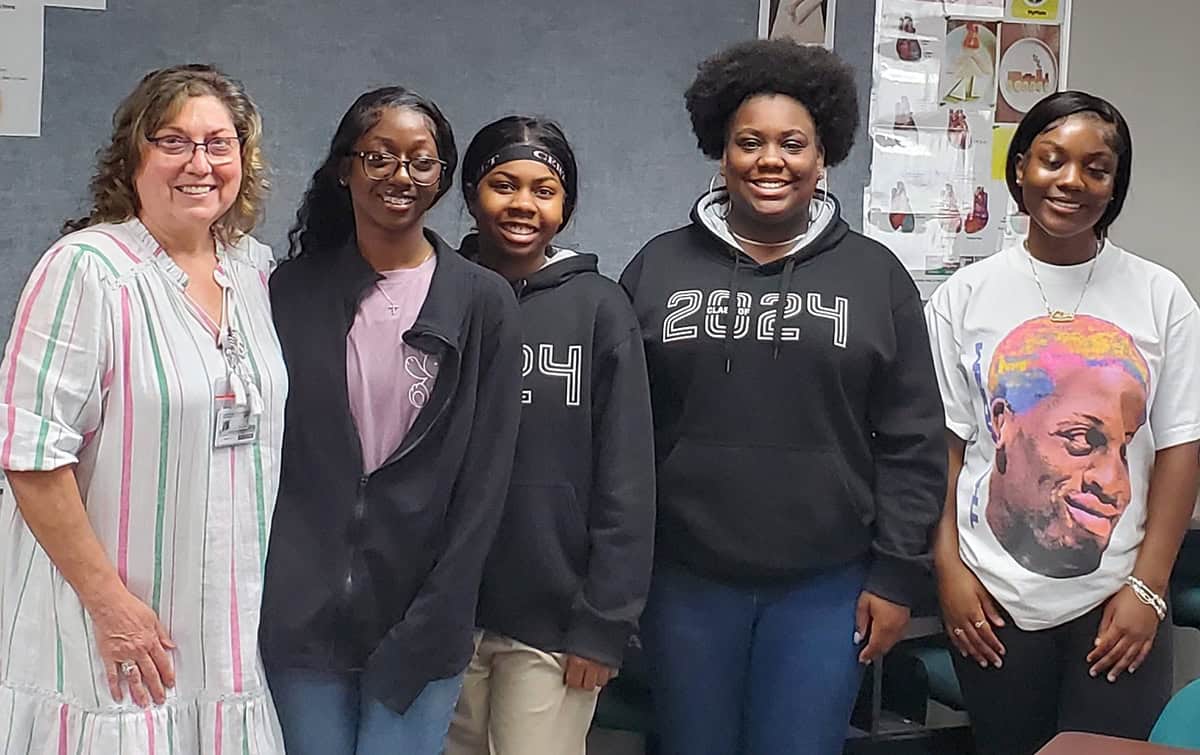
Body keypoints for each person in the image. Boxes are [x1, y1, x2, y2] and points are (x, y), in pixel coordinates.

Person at [619, 39, 947, 755]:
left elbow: (915, 440)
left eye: (792, 143)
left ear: (822, 155)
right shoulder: (656, 268)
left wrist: (896, 577)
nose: (771, 160)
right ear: (721, 153)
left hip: (827, 591)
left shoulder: (876, 276)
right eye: (750, 142)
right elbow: (617, 438)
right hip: (684, 584)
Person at [0, 64, 285, 753]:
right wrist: (111, 604)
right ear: (133, 155)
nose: (200, 163)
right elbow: (31, 455)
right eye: (174, 141)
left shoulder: (253, 269)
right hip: (109, 628)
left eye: (219, 144)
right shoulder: (86, 269)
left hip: (222, 632)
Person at [926, 90, 1200, 754]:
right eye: (1053, 160)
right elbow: (946, 450)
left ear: (1115, 185)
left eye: (1097, 168)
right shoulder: (964, 296)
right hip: (993, 599)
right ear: (1020, 168)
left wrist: (1148, 587)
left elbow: (1181, 448)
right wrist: (950, 572)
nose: (1072, 181)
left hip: (1118, 602)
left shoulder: (1161, 296)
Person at [259, 87, 523, 755]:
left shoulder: (481, 300)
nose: (400, 175)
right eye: (379, 156)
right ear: (345, 167)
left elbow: (487, 479)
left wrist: (439, 616)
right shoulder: (289, 293)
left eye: (421, 161)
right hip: (301, 624)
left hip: (421, 622)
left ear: (441, 179)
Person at [444, 116, 655, 755]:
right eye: (503, 184)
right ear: (473, 191)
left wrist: (604, 626)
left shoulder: (599, 307)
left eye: (544, 189)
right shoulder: (436, 293)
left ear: (565, 206)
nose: (522, 205)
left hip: (556, 625)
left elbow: (627, 475)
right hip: (443, 616)